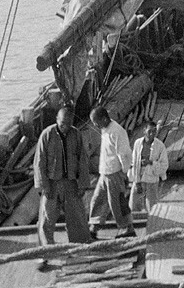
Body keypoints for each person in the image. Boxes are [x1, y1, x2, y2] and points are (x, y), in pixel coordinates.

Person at [33, 105, 91, 248]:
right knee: (47, 218)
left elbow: (82, 160)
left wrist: (83, 184)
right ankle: (45, 249)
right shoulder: (47, 135)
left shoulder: (76, 134)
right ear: (57, 120)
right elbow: (39, 162)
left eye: (69, 124)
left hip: (71, 182)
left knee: (77, 216)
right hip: (52, 183)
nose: (65, 127)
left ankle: (79, 245)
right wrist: (44, 186)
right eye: (62, 124)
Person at [88, 106, 135, 238]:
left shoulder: (117, 131)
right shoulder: (104, 129)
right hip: (105, 172)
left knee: (117, 203)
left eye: (96, 122)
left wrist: (124, 173)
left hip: (115, 173)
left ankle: (126, 227)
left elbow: (124, 154)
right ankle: (94, 226)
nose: (95, 125)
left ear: (104, 119)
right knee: (98, 199)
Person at [128, 120, 169, 214]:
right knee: (133, 206)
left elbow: (164, 165)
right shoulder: (138, 143)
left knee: (152, 208)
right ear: (144, 131)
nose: (152, 133)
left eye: (154, 131)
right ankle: (134, 226)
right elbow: (133, 162)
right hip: (139, 178)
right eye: (149, 131)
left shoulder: (160, 146)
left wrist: (151, 162)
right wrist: (136, 181)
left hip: (152, 179)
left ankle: (152, 224)